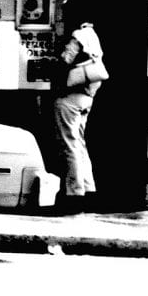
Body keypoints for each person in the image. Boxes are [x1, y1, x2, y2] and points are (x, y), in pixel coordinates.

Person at [45, 11, 108, 209]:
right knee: (80, 145)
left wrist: (51, 61)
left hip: (70, 98)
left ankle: (74, 192)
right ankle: (89, 188)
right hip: (86, 98)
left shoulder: (78, 36)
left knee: (68, 144)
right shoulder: (94, 37)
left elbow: (66, 58)